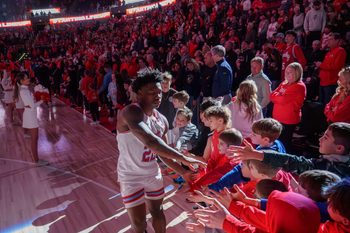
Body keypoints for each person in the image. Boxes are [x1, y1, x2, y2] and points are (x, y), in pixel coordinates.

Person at [116, 70, 204, 233]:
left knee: (158, 212)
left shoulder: (161, 119)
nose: (157, 96)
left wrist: (181, 172)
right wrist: (184, 159)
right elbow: (151, 142)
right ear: (139, 93)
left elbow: (161, 152)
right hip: (130, 176)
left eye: (159, 92)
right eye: (152, 93)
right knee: (139, 224)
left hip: (151, 173)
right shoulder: (131, 112)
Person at [229, 122, 350, 178]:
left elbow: (295, 162)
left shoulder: (334, 168)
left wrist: (256, 154)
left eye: (326, 137)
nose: (320, 139)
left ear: (339, 148)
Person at [270, 62, 306, 152]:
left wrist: (278, 96)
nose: (287, 74)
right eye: (286, 72)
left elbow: (282, 99)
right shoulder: (284, 83)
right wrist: (279, 96)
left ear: (297, 73)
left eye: (290, 72)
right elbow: (271, 96)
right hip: (278, 118)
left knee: (285, 143)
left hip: (288, 120)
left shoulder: (299, 86)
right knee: (277, 142)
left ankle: (285, 163)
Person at [14, 72, 45, 164]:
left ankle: (36, 159)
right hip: (30, 116)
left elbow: (30, 104)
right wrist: (42, 101)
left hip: (30, 114)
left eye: (28, 77)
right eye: (26, 78)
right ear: (21, 81)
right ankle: (36, 160)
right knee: (34, 138)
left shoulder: (25, 89)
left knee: (35, 138)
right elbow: (31, 105)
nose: (28, 79)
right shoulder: (24, 91)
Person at [316, 33, 347, 105]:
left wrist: (321, 65)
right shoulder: (329, 52)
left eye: (331, 39)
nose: (328, 41)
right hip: (323, 82)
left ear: (337, 41)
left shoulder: (340, 51)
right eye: (327, 39)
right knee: (321, 104)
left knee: (328, 104)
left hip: (331, 83)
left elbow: (337, 66)